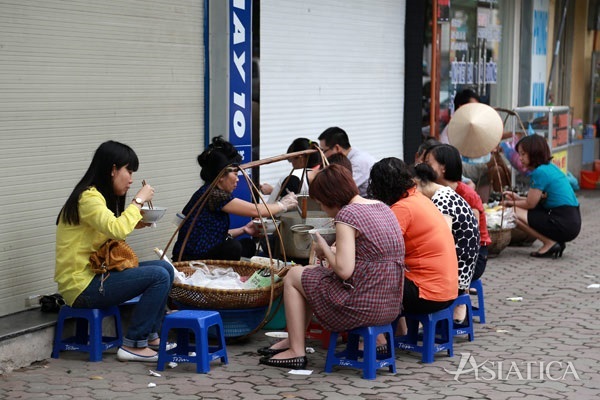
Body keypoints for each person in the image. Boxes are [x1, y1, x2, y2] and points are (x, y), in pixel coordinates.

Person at [258, 164, 405, 369]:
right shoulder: (382, 207)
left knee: (293, 276)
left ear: (330, 197)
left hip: (360, 307)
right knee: (308, 277)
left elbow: (344, 271)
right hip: (390, 307)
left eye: (321, 203)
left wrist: (323, 247)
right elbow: (370, 256)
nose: (324, 209)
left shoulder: (348, 215)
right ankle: (294, 340)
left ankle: (296, 350)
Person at [55, 140, 175, 362]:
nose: (131, 178)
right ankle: (133, 345)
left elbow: (110, 231)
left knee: (164, 268)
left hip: (96, 277)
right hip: (81, 286)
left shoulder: (95, 196)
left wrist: (137, 220)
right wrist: (138, 201)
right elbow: (117, 229)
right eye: (128, 170)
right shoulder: (88, 198)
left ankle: (150, 337)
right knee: (158, 276)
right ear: (112, 169)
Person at [172, 136, 298, 261]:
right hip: (191, 258)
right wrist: (283, 205)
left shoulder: (209, 191)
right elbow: (257, 210)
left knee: (248, 245)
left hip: (205, 250)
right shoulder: (213, 195)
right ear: (221, 175)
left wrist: (244, 230)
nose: (238, 179)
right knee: (233, 247)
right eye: (235, 174)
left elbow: (214, 236)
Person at [368, 158, 458, 317]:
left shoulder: (403, 208)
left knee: (370, 282)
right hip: (448, 290)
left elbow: (379, 249)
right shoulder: (419, 199)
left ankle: (377, 338)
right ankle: (398, 330)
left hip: (428, 293)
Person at [411, 162, 480, 322]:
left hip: (458, 267)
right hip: (463, 261)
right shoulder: (444, 192)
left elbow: (442, 237)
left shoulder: (441, 200)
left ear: (418, 183)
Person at [502, 134, 581, 258]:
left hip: (563, 222)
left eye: (523, 154)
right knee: (517, 210)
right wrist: (517, 198)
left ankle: (549, 242)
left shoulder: (540, 172)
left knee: (511, 213)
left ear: (533, 153)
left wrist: (509, 203)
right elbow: (537, 199)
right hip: (571, 220)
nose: (520, 158)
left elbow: (530, 204)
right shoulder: (550, 167)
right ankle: (553, 241)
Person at [424, 144, 491, 285]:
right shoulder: (433, 192)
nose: (425, 168)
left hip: (472, 259)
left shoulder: (467, 194)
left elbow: (472, 234)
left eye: (429, 163)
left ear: (443, 168)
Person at [259, 138, 321, 203]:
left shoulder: (293, 178)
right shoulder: (325, 172)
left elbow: (281, 207)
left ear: (300, 158)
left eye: (291, 160)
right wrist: (273, 190)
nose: (292, 164)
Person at [318, 126, 375, 196]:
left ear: (337, 148)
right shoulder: (350, 156)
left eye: (323, 151)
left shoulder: (358, 163)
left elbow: (340, 190)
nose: (322, 155)